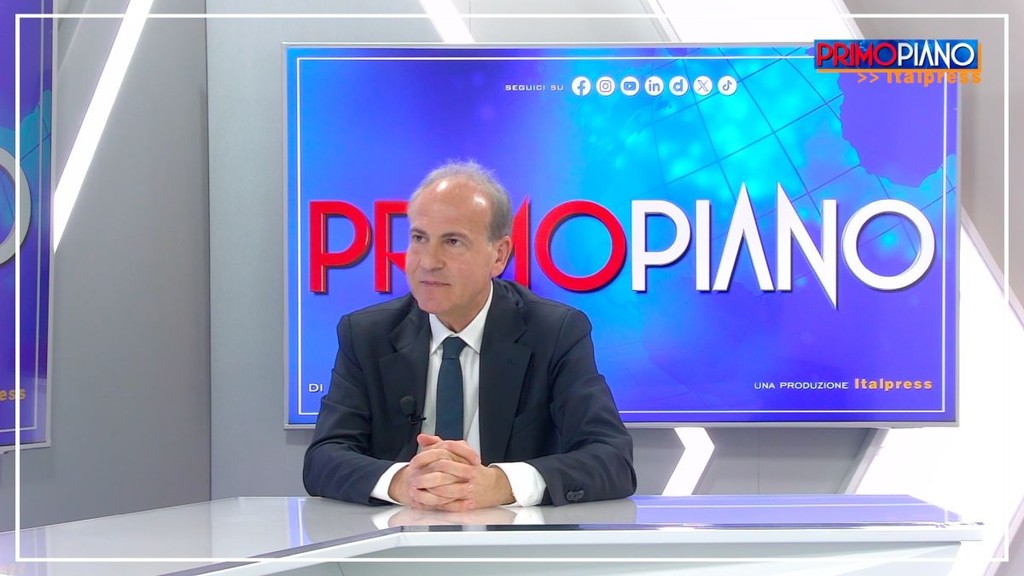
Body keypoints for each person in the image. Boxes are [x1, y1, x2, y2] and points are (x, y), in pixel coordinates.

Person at [303, 161, 635, 511]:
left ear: (499, 255)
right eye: (419, 238)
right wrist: (402, 482)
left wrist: (502, 484)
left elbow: (612, 459)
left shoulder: (554, 333)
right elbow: (323, 459)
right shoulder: (366, 334)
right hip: (397, 536)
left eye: (452, 241)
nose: (428, 261)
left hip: (514, 541)